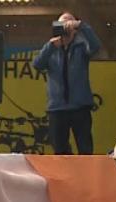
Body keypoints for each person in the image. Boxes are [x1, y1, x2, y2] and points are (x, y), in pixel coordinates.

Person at [33, 13, 101, 155]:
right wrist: (50, 46)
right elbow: (37, 64)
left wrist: (81, 25)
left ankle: (86, 176)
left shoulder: (81, 47)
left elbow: (95, 46)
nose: (64, 30)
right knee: (60, 150)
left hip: (80, 107)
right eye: (61, 26)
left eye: (67, 26)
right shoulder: (51, 49)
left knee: (85, 149)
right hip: (57, 108)